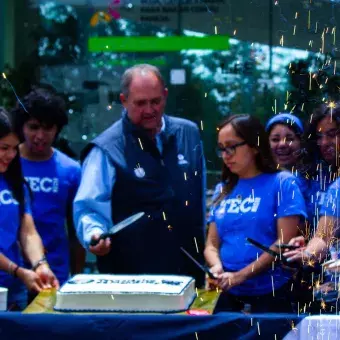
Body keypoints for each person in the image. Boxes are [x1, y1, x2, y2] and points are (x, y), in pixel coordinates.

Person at [74, 64, 206, 286]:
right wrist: (95, 235)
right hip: (131, 278)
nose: (149, 110)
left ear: (165, 95)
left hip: (189, 272)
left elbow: (199, 199)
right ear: (124, 100)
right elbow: (89, 207)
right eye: (140, 103)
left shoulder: (189, 134)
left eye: (155, 101)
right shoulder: (107, 148)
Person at [204, 114, 307, 313]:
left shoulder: (283, 183)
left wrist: (239, 276)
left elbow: (282, 244)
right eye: (221, 148)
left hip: (270, 294)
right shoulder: (222, 189)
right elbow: (211, 244)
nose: (226, 155)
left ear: (254, 146)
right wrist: (216, 267)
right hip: (227, 292)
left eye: (231, 146)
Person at [11, 87, 85, 287]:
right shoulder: (6, 162)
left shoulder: (71, 170)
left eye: (48, 128)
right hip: (10, 275)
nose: (40, 135)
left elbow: (76, 232)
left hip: (53, 278)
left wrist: (75, 280)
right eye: (33, 127)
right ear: (22, 127)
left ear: (57, 129)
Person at [0, 107, 58, 310]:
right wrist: (17, 270)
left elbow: (28, 232)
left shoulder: (15, 182)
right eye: (3, 147)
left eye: (15, 148)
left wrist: (40, 265)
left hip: (14, 291)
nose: (10, 155)